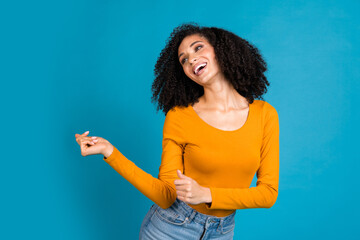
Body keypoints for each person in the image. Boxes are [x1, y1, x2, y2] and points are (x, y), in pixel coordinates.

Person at [75, 23, 279, 240]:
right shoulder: (180, 116)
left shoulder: (264, 115)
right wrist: (110, 152)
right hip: (170, 228)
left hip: (223, 231)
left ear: (221, 49)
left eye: (198, 48)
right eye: (183, 59)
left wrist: (207, 194)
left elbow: (268, 194)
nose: (191, 59)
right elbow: (165, 196)